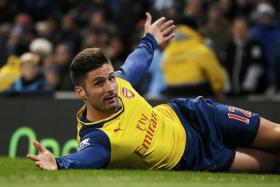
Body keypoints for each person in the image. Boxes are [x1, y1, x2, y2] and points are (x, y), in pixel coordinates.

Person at [27, 13, 280, 172]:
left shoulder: (120, 84)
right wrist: (59, 162)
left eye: (110, 78)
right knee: (272, 164)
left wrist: (150, 40)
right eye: (99, 83)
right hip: (196, 157)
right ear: (81, 92)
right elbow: (84, 158)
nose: (110, 87)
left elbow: (136, 62)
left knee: (276, 135)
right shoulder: (100, 138)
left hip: (196, 115)